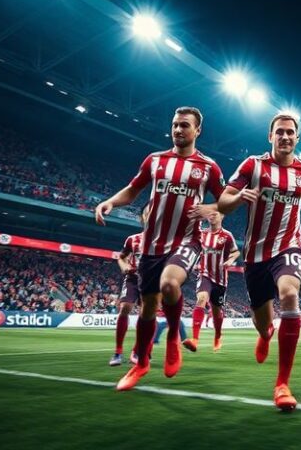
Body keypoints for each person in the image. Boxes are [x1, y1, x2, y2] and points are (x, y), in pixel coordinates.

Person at [95, 106, 224, 391]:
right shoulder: (155, 161)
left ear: (197, 131)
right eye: (175, 124)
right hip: (152, 246)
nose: (178, 130)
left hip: (187, 241)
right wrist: (111, 202)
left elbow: (227, 200)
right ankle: (141, 364)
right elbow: (132, 189)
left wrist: (211, 208)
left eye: (185, 125)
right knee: (148, 309)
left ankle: (172, 341)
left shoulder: (208, 167)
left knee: (169, 283)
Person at [218, 113, 301, 412]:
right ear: (270, 136)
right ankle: (265, 335)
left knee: (290, 294)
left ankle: (282, 384)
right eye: (280, 132)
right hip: (254, 256)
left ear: (297, 138)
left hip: (289, 247)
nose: (286, 137)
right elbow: (222, 203)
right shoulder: (253, 165)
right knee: (263, 324)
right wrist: (240, 197)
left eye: (290, 132)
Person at [184, 212, 240, 352]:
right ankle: (195, 340)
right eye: (210, 214)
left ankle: (217, 337)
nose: (212, 216)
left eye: (216, 214)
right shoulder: (202, 234)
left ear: (222, 217)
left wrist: (231, 260)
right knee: (201, 299)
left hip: (221, 279)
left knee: (216, 312)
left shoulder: (227, 236)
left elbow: (236, 252)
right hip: (205, 274)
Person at [109, 204, 148, 366]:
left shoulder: (163, 241)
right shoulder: (133, 239)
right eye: (147, 213)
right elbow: (121, 257)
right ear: (142, 218)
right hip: (132, 278)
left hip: (150, 281)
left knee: (145, 315)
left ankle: (137, 351)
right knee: (125, 308)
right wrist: (124, 266)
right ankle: (118, 352)